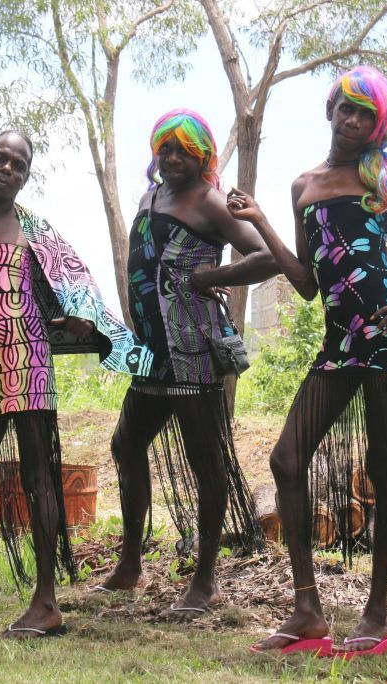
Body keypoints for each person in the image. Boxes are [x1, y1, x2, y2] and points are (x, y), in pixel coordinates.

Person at [227, 65, 387, 656]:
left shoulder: (386, 176)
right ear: (330, 110)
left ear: (379, 125)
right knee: (287, 459)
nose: (351, 120)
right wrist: (262, 220)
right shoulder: (303, 186)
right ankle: (306, 610)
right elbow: (304, 284)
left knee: (383, 465)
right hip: (338, 343)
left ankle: (376, 611)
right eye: (344, 109)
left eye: (364, 114)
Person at [0, 130, 152, 639]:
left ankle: (45, 601)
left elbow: (73, 288)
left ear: (25, 176)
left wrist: (79, 320)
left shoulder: (35, 231)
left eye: (18, 165)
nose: (7, 169)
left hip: (30, 364)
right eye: (1, 159)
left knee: (41, 480)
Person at [96, 109, 277, 621]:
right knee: (125, 444)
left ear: (202, 155)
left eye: (182, 150)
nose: (171, 158)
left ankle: (204, 581)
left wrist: (211, 277)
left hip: (194, 349)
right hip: (152, 349)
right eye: (164, 149)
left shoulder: (212, 202)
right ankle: (130, 565)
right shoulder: (150, 196)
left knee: (206, 460)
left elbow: (265, 255)